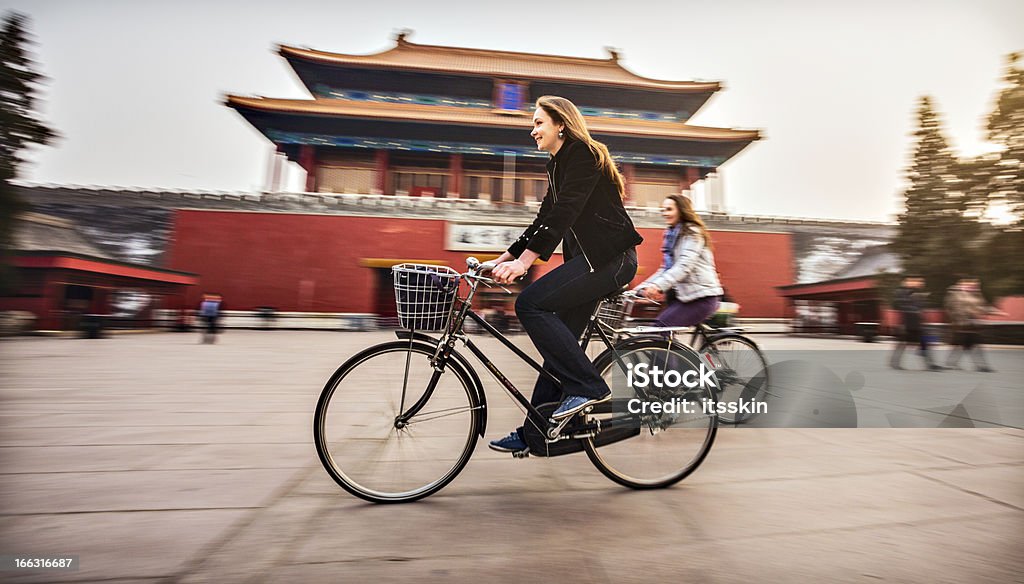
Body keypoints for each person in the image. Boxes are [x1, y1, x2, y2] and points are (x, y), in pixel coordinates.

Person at [483, 95, 643, 453]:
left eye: (539, 122)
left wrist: (525, 264)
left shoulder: (582, 154)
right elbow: (543, 220)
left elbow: (565, 213)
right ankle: (536, 434)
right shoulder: (557, 165)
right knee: (560, 351)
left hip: (610, 260)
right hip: (589, 262)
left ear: (561, 125)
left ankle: (588, 386)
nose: (533, 130)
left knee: (530, 304)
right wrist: (503, 258)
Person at [633, 194, 723, 328]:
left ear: (681, 210)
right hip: (685, 296)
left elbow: (684, 266)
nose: (664, 213)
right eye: (663, 210)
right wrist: (641, 288)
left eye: (669, 209)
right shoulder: (671, 235)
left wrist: (658, 286)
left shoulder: (693, 233)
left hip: (702, 297)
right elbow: (665, 269)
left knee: (660, 327)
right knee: (663, 335)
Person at [945, 278, 1003, 372]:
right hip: (961, 325)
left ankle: (952, 363)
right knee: (969, 346)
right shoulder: (956, 295)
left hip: (971, 325)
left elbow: (983, 307)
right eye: (971, 283)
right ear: (963, 284)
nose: (975, 285)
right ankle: (980, 366)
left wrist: (996, 312)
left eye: (976, 284)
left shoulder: (975, 295)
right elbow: (955, 309)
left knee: (969, 346)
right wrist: (965, 316)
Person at [889, 277, 940, 371]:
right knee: (904, 343)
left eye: (921, 281)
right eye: (917, 281)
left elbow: (918, 305)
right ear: (907, 282)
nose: (920, 283)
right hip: (908, 322)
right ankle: (894, 362)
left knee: (923, 342)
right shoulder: (901, 292)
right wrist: (916, 310)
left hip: (916, 322)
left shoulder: (914, 292)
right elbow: (901, 305)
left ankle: (930, 364)